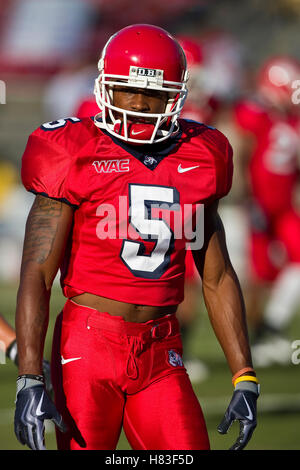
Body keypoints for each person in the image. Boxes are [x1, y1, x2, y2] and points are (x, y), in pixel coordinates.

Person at [14, 24, 259, 451]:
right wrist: (29, 377)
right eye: (129, 91)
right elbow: (36, 273)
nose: (141, 106)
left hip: (162, 347)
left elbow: (217, 276)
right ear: (106, 87)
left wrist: (245, 373)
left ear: (178, 95)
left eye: (155, 94)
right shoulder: (72, 148)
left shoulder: (203, 155)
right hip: (87, 346)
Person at [233, 55, 300, 365]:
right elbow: (242, 156)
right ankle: (254, 339)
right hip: (260, 204)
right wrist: (248, 198)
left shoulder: (291, 118)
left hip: (285, 206)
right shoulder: (254, 112)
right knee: (258, 275)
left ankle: (270, 328)